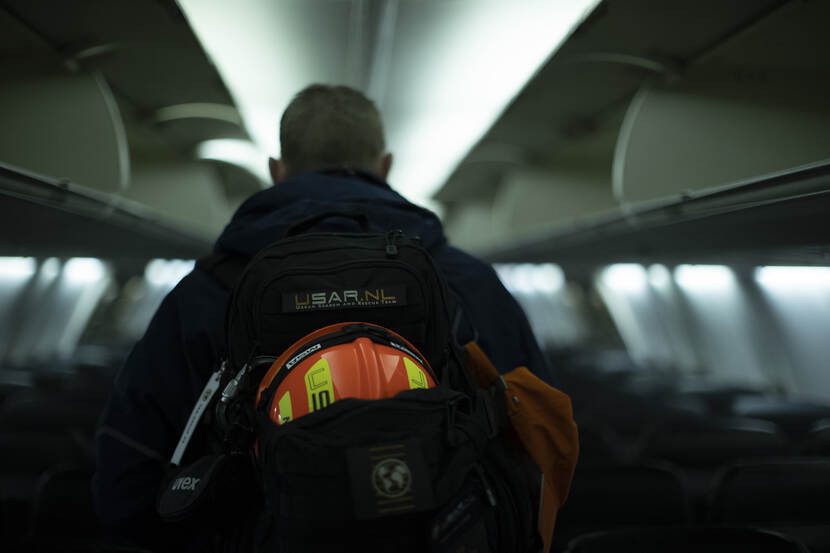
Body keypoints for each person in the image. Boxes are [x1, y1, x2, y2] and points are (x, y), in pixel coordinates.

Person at [93, 84, 553, 551]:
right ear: (385, 166)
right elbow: (542, 439)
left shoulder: (205, 291)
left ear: (275, 171)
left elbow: (128, 471)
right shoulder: (468, 283)